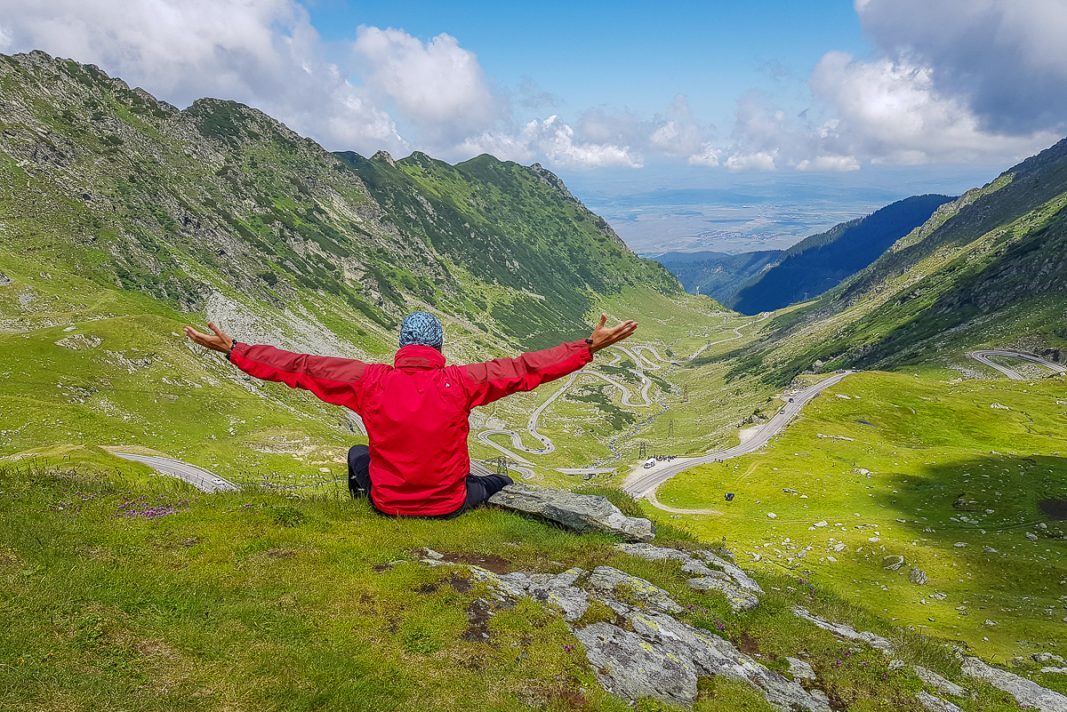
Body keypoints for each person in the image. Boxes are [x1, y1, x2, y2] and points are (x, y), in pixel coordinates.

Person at [184, 311, 637, 518]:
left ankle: (364, 502)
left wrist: (236, 350)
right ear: (438, 348)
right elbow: (525, 369)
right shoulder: (463, 381)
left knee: (357, 452)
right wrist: (587, 347)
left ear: (402, 346)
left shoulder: (368, 381)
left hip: (387, 502)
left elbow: (299, 367)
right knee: (500, 483)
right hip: (448, 504)